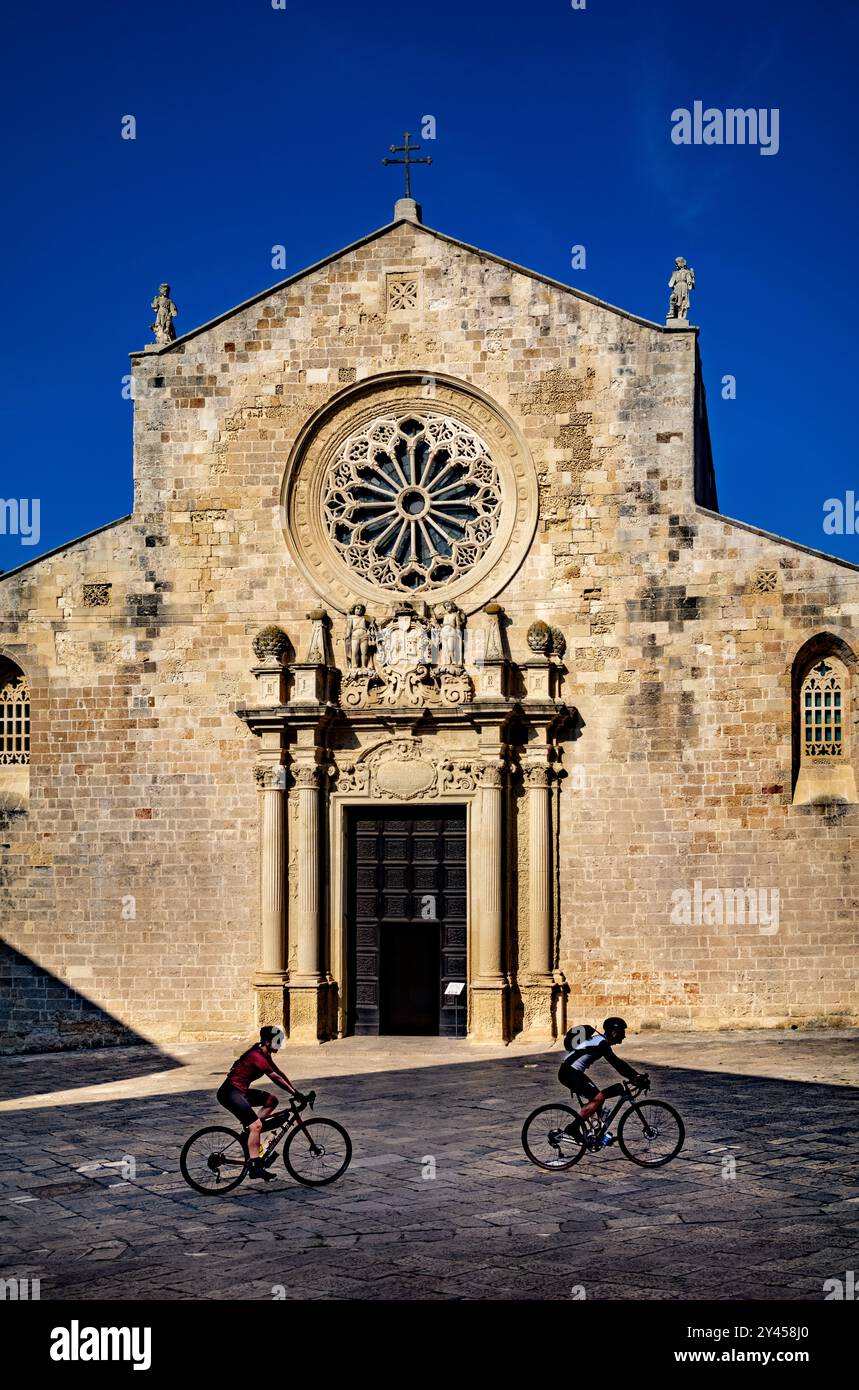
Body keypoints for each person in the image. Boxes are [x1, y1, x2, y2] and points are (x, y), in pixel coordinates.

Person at [217, 1026, 303, 1181]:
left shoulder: (265, 1054)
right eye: (277, 1041)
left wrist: (295, 1091)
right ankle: (255, 1166)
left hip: (239, 1092)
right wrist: (294, 1093)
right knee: (256, 1125)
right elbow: (274, 1078)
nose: (279, 1045)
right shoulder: (256, 1055)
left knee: (272, 1101)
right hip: (230, 1093)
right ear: (267, 1041)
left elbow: (279, 1073)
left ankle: (252, 1132)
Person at [558, 1017, 648, 1147]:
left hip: (572, 1072)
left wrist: (634, 1076)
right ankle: (573, 1128)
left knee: (599, 1096)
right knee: (598, 1098)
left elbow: (618, 1063)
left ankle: (596, 1132)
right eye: (622, 1032)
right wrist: (635, 1076)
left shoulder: (600, 1041)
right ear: (615, 1032)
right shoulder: (602, 1043)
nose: (624, 1036)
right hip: (569, 1072)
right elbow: (616, 1063)